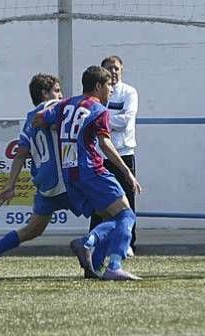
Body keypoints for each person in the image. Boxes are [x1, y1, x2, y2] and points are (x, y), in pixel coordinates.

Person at [33, 65, 142, 280]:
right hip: (91, 169)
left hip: (70, 173)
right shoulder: (99, 110)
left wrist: (58, 127)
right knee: (126, 215)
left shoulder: (65, 104)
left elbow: (38, 119)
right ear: (98, 86)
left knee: (108, 216)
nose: (111, 89)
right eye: (109, 84)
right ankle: (107, 258)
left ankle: (95, 265)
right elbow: (105, 144)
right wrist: (127, 172)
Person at [0, 73, 70, 278]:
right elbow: (58, 125)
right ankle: (94, 251)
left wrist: (10, 184)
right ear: (45, 93)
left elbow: (21, 153)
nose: (61, 95)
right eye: (57, 91)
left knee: (32, 230)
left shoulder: (30, 119)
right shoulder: (51, 111)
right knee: (109, 210)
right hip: (64, 182)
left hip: (45, 184)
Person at [89, 55, 139, 258]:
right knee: (99, 203)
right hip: (99, 155)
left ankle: (127, 244)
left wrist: (100, 120)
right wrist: (104, 120)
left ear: (122, 69)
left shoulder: (129, 92)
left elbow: (126, 121)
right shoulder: (97, 94)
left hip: (124, 153)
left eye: (116, 68)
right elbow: (90, 118)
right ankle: (93, 243)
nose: (113, 72)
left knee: (127, 200)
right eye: (109, 68)